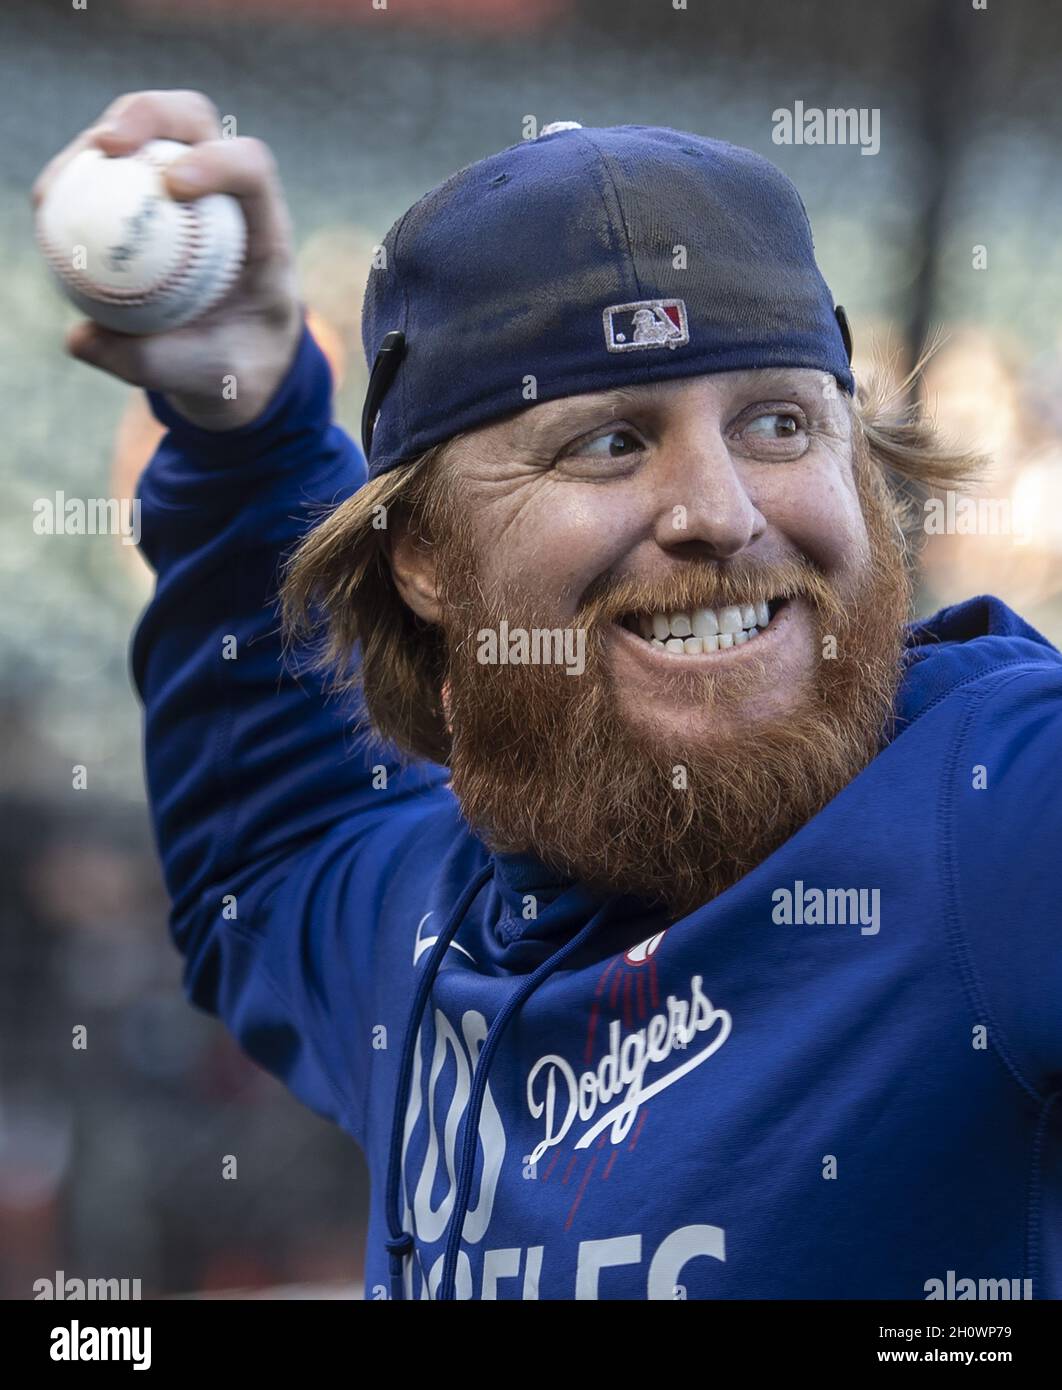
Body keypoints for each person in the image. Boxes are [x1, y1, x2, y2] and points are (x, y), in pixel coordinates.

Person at [37, 89, 1062, 1302]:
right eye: (611, 443)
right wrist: (243, 425)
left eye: (779, 423)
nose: (722, 512)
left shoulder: (997, 811)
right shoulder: (429, 922)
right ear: (420, 558)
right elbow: (274, 847)